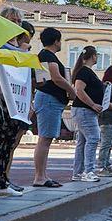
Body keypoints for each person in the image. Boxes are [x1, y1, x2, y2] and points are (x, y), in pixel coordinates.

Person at [0, 22, 34, 197]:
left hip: (12, 102)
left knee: (7, 142)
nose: (15, 25)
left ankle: (1, 182)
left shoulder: (17, 48)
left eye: (17, 21)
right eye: (12, 20)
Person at [30, 27, 68, 187]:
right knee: (45, 139)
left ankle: (42, 175)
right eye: (60, 40)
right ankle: (39, 177)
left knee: (45, 139)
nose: (61, 43)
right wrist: (71, 91)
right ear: (56, 41)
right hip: (48, 100)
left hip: (47, 98)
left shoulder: (43, 56)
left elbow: (43, 80)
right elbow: (56, 77)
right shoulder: (48, 55)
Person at [67, 46, 103, 183]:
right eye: (97, 55)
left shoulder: (87, 72)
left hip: (84, 110)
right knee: (93, 138)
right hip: (84, 110)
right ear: (93, 56)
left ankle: (78, 172)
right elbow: (79, 90)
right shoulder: (84, 72)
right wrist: (93, 104)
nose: (97, 57)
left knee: (82, 142)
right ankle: (89, 171)